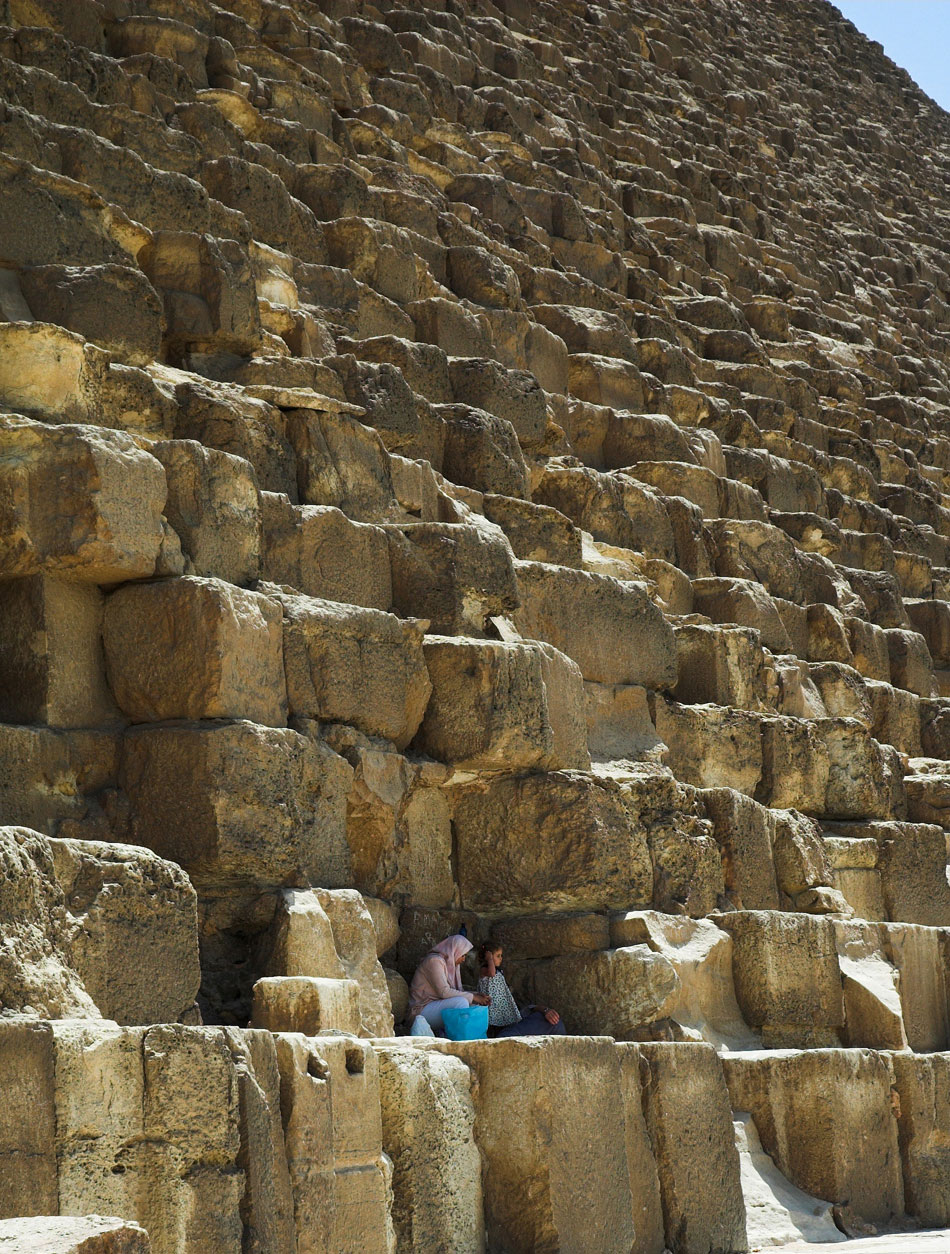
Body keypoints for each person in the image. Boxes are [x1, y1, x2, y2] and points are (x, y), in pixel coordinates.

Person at [477, 941, 566, 1036]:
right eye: (498, 956)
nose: (501, 959)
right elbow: (491, 973)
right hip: (493, 1006)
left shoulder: (498, 971)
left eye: (501, 955)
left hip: (502, 1005)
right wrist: (490, 959)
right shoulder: (485, 969)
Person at [409, 934, 490, 1032]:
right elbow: (444, 992)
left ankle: (469, 1037)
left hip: (435, 1006)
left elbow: (456, 991)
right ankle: (459, 1039)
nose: (464, 959)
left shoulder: (450, 963)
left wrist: (476, 996)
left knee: (475, 1007)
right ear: (455, 951)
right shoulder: (434, 961)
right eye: (463, 955)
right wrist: (473, 997)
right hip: (421, 1011)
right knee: (461, 1002)